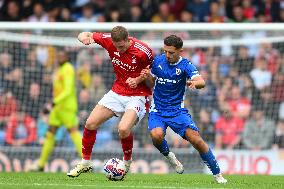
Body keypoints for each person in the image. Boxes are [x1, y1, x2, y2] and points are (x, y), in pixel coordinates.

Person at [67, 26, 153, 177]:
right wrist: (83, 38)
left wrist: (140, 78)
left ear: (128, 40)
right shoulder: (108, 41)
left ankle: (126, 163)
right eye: (116, 46)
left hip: (138, 95)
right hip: (117, 91)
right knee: (90, 123)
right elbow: (85, 33)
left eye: (121, 46)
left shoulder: (143, 52)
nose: (118, 49)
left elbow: (153, 80)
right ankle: (85, 162)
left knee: (123, 129)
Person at [140, 35, 227, 184]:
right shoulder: (157, 61)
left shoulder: (186, 65)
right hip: (158, 110)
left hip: (177, 111)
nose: (167, 55)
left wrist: (196, 84)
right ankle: (170, 156)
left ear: (180, 51)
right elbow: (150, 83)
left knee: (196, 140)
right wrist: (146, 76)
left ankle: (217, 174)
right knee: (156, 135)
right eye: (165, 51)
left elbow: (201, 81)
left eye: (171, 52)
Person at [30, 50, 82, 171]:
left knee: (73, 131)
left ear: (67, 57)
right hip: (58, 108)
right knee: (50, 133)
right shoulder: (60, 69)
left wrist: (53, 102)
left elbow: (68, 90)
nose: (59, 58)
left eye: (62, 56)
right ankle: (41, 164)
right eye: (58, 56)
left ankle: (86, 160)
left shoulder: (68, 68)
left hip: (66, 107)